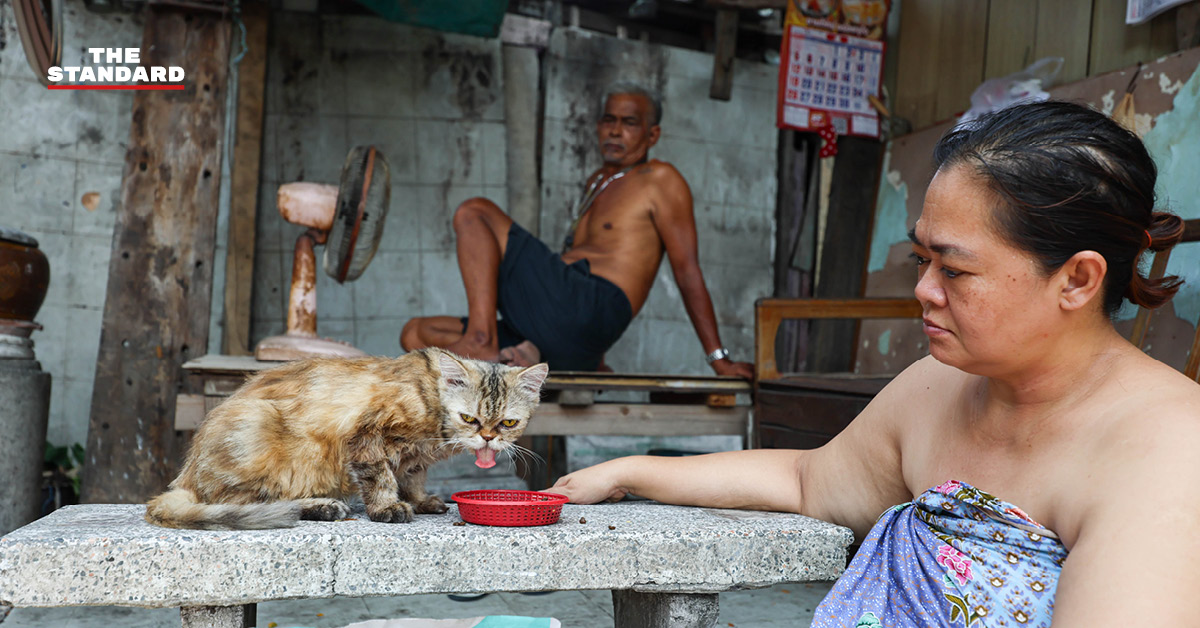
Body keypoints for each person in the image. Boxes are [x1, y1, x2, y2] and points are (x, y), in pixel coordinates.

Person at [546, 101, 1200, 626]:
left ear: (1079, 280)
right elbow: (809, 480)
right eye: (923, 261)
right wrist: (631, 470)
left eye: (955, 269)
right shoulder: (939, 388)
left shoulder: (1167, 448)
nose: (923, 290)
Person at [400, 82, 754, 379]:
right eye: (608, 120)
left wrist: (718, 359)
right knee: (416, 333)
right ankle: (512, 354)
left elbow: (687, 270)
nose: (615, 130)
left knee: (474, 212)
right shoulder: (598, 181)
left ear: (652, 134)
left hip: (590, 309)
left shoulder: (660, 179)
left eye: (629, 122)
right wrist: (595, 360)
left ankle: (482, 340)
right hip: (564, 332)